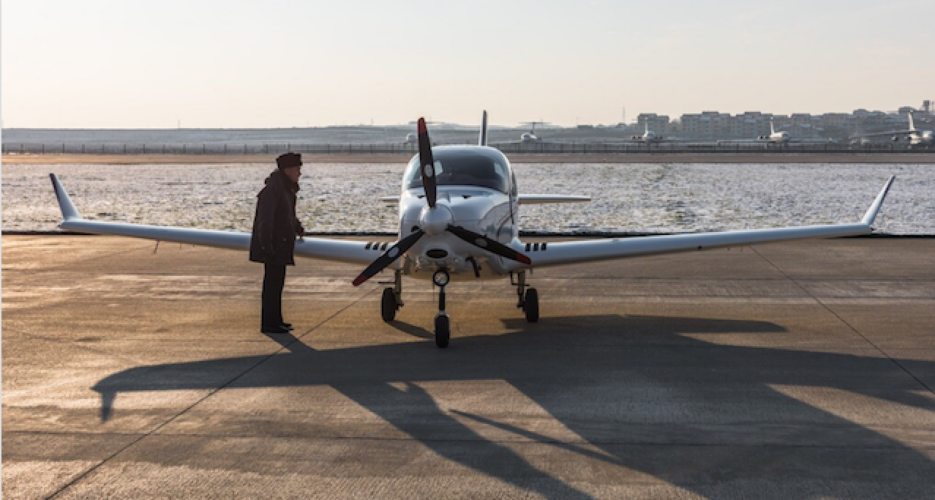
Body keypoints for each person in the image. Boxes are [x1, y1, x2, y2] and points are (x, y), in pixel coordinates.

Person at [250, 152, 306, 334]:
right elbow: (265, 221)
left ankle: (276, 320)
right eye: (297, 169)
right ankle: (269, 323)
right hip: (273, 246)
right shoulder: (274, 190)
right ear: (288, 170)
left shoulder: (284, 189)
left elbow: (287, 214)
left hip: (280, 244)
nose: (300, 173)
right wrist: (267, 246)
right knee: (272, 286)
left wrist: (297, 227)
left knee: (277, 285)